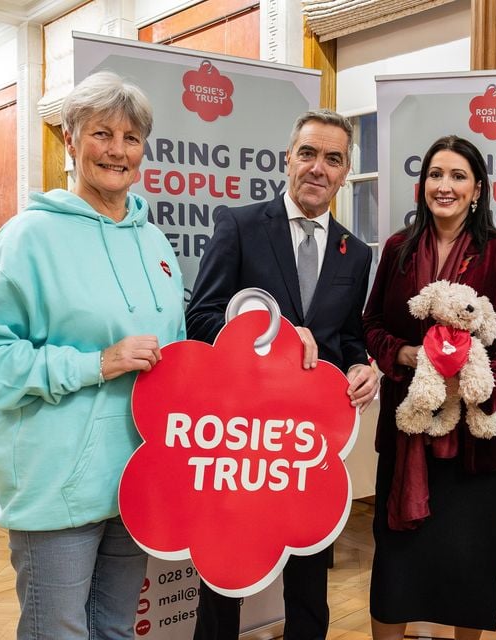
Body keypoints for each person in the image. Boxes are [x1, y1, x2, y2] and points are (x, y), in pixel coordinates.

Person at [0, 71, 185, 639]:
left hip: (136, 476)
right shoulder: (27, 237)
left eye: (131, 138)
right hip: (58, 483)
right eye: (102, 133)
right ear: (69, 140)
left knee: (118, 631)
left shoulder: (153, 240)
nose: (117, 151)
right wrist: (93, 364)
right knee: (57, 633)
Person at [185, 109, 379, 640]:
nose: (319, 168)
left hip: (310, 444)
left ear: (344, 172)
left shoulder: (355, 252)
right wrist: (280, 337)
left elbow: (346, 337)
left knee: (310, 580)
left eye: (333, 159)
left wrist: (362, 365)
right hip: (239, 439)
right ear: (288, 158)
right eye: (309, 153)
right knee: (226, 577)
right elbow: (201, 318)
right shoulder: (241, 225)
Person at [362, 135, 496, 640]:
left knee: (469, 562)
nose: (445, 185)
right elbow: (372, 323)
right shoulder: (398, 248)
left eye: (458, 176)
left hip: (477, 445)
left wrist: (481, 381)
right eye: (436, 175)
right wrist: (407, 355)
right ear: (422, 187)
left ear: (478, 188)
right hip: (408, 431)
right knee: (395, 563)